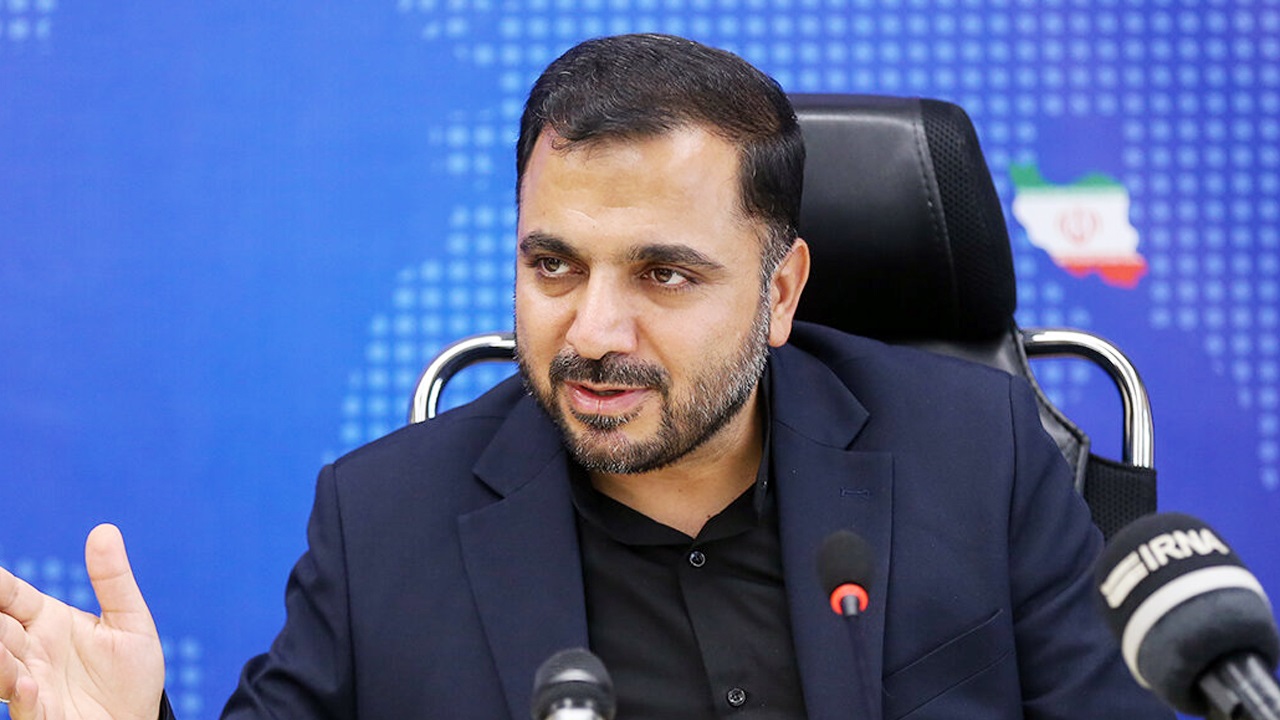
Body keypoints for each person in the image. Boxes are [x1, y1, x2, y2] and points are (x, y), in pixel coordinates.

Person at [0, 33, 1171, 720]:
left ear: (778, 291)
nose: (593, 331)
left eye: (663, 274)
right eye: (552, 265)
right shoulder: (383, 522)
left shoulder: (977, 451)